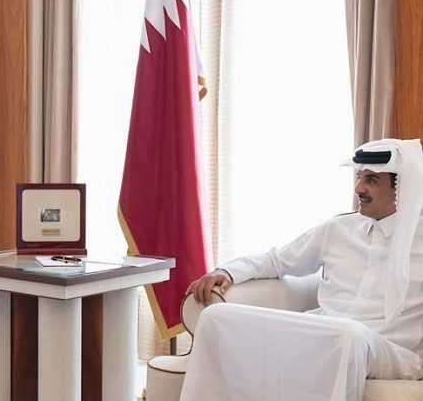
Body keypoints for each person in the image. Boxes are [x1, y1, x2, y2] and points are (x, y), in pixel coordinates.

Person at [180, 138, 423, 401]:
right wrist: (227, 272)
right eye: (359, 177)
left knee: (349, 335)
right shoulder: (337, 230)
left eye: (371, 180)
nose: (358, 188)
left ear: (402, 189)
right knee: (216, 317)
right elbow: (276, 260)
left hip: (390, 350)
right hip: (326, 333)